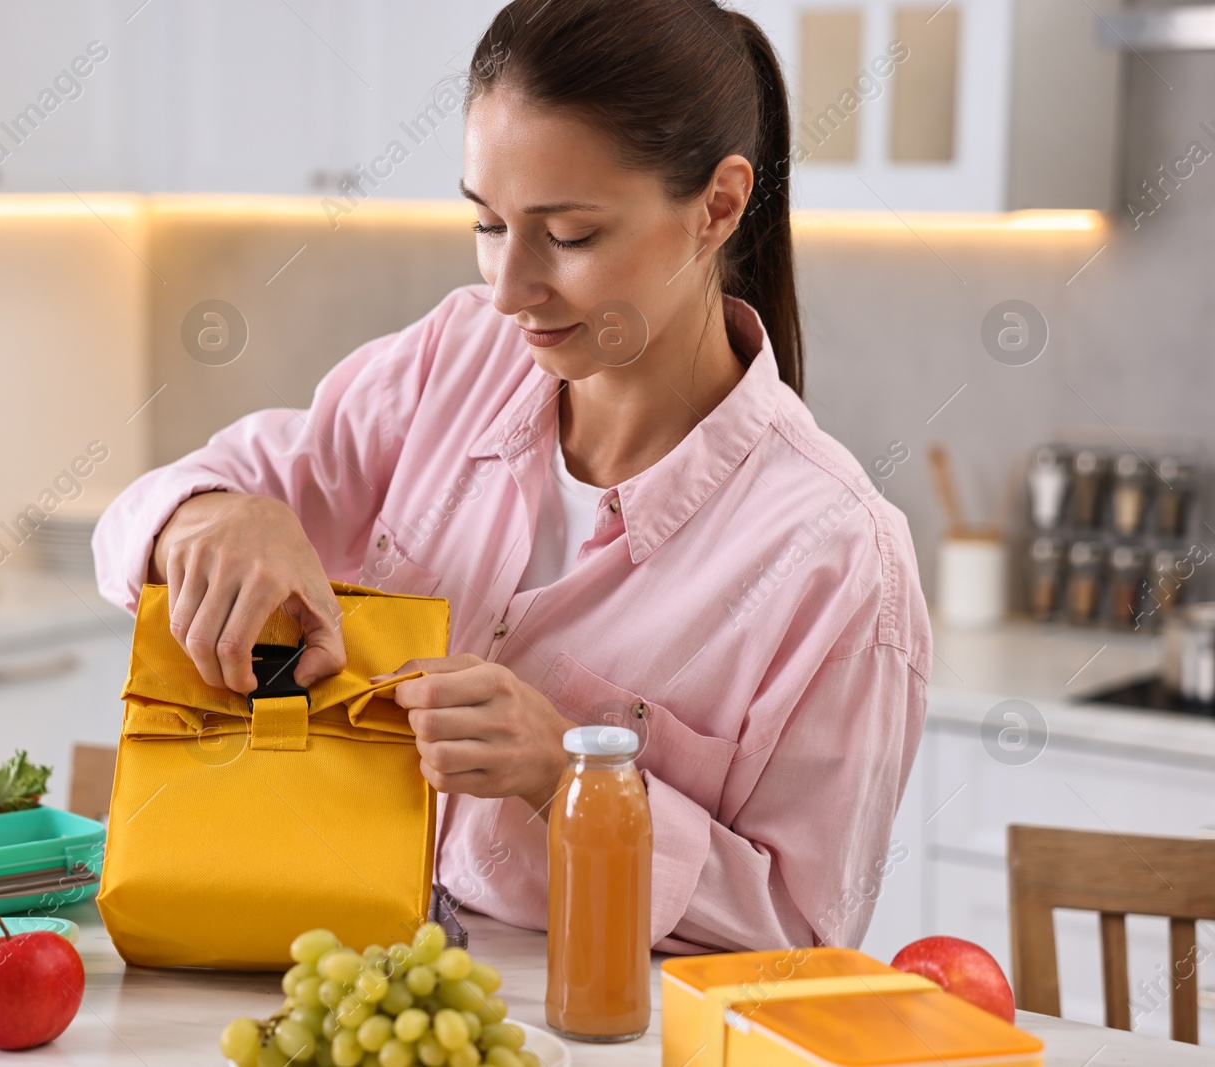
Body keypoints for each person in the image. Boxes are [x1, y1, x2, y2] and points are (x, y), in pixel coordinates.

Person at [93, 0, 930, 955]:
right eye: (488, 222)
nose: (507, 288)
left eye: (568, 235)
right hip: (350, 987)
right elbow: (145, 516)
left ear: (719, 207)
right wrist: (208, 517)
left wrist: (570, 778)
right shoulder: (456, 356)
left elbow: (802, 937)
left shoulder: (837, 557)